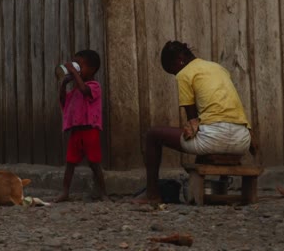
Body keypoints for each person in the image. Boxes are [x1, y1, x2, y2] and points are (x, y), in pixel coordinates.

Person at [134, 40, 254, 204]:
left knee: (152, 135)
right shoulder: (218, 68)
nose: (175, 75)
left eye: (173, 71)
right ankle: (221, 186)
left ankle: (152, 195)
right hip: (243, 140)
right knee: (209, 131)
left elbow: (193, 121)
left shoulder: (185, 73)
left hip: (215, 138)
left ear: (178, 61)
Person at [54, 49, 108, 203]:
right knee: (70, 163)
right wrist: (64, 85)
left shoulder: (94, 86)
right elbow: (64, 101)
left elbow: (86, 91)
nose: (75, 68)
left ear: (92, 69)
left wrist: (74, 73)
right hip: (76, 132)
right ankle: (65, 191)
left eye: (79, 66)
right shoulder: (75, 90)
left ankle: (103, 193)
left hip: (90, 130)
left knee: (94, 163)